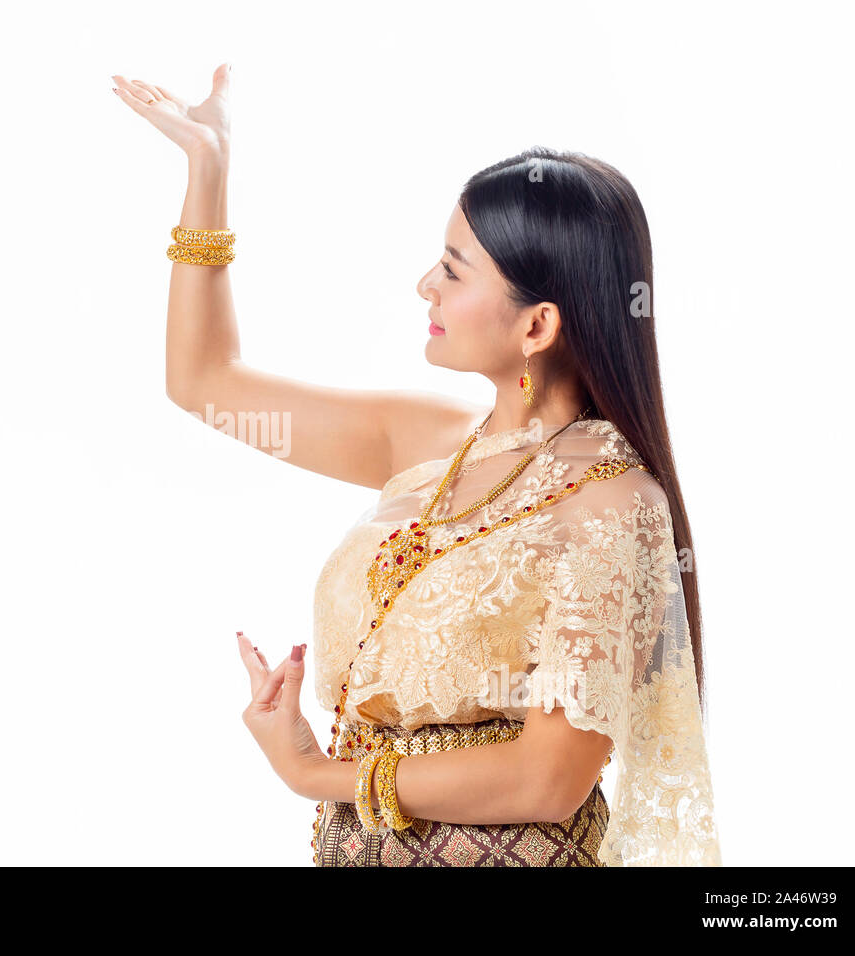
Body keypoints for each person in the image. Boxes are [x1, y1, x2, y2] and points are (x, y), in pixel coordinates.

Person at [113, 64, 721, 866]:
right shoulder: (430, 443)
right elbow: (205, 384)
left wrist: (315, 771)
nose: (423, 285)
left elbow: (550, 780)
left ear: (537, 325)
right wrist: (208, 170)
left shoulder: (609, 504)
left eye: (454, 269)